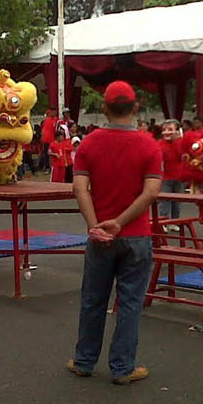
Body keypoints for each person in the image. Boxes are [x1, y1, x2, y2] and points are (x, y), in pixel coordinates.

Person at [68, 81, 162, 385]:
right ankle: (123, 368)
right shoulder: (150, 145)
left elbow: (79, 188)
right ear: (135, 108)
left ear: (105, 108)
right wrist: (121, 222)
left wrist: (95, 224)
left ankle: (84, 361)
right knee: (130, 302)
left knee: (93, 299)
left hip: (100, 237)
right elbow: (151, 192)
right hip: (136, 235)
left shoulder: (89, 144)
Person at [158, 119, 184, 220]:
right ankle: (163, 221)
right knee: (164, 201)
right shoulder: (160, 144)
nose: (166, 132)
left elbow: (181, 156)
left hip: (180, 177)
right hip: (166, 177)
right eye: (164, 130)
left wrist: (176, 141)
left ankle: (175, 221)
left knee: (177, 202)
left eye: (170, 129)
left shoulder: (181, 142)